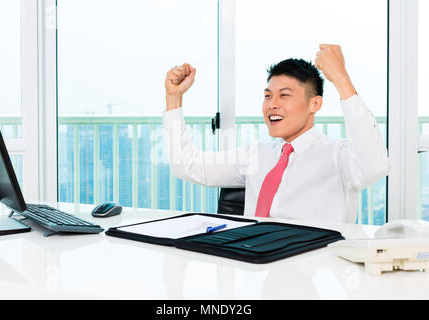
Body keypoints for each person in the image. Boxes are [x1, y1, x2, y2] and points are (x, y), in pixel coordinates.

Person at [162, 44, 389, 223]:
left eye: (284, 95)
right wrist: (174, 98)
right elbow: (186, 165)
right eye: (268, 95)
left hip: (316, 272)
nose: (272, 104)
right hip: (254, 267)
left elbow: (374, 166)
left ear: (315, 104)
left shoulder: (337, 155)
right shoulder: (256, 155)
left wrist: (341, 78)